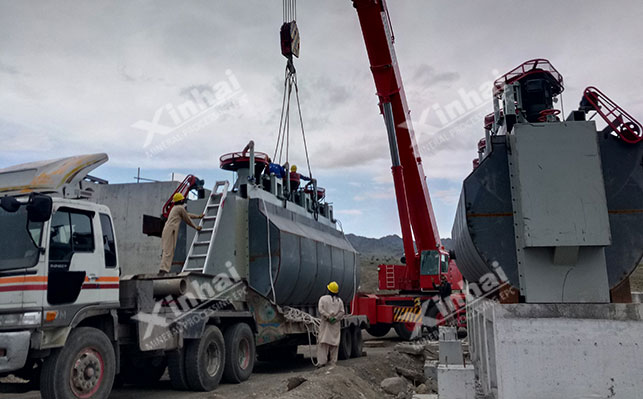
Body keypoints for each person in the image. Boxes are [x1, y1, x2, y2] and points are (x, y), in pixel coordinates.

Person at [159, 193, 203, 274]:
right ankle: (164, 269)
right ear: (181, 200)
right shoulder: (179, 208)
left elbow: (187, 215)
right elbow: (187, 219)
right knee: (168, 250)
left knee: (168, 250)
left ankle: (164, 269)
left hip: (169, 229)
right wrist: (196, 227)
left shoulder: (176, 208)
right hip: (170, 230)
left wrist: (198, 216)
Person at [317, 281, 345, 368]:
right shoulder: (339, 301)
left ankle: (322, 362)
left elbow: (321, 310)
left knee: (323, 343)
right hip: (335, 325)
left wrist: (328, 317)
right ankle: (333, 362)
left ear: (328, 289)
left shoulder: (323, 299)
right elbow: (342, 312)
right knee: (334, 344)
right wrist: (335, 318)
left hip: (326, 324)